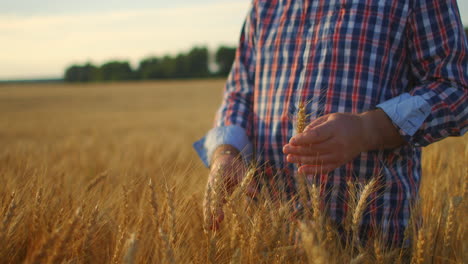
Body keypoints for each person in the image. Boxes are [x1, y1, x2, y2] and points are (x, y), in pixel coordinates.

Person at [194, 0, 467, 246]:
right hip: (269, 238)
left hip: (373, 240)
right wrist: (226, 152)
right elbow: (240, 93)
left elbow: (456, 88)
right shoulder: (265, 4)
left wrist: (368, 129)